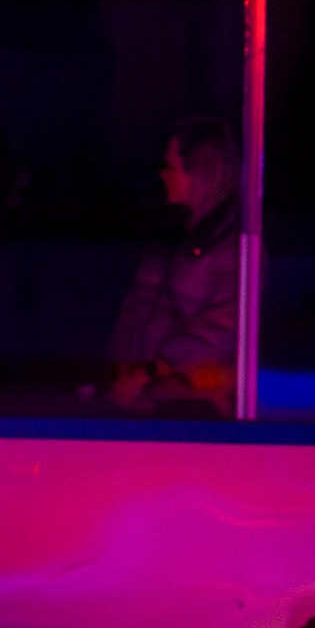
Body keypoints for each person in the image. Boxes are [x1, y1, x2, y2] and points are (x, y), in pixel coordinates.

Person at [108, 116, 239, 416]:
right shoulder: (173, 235)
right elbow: (142, 305)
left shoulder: (232, 249)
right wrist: (125, 371)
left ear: (200, 174)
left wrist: (148, 374)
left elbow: (218, 331)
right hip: (148, 393)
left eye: (170, 167)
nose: (162, 175)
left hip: (195, 404)